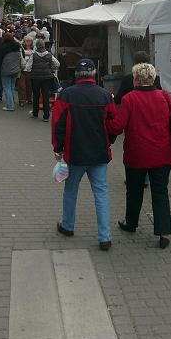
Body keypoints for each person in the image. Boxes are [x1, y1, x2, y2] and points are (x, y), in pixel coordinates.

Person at [107, 63, 171, 249]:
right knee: (160, 192)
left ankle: (131, 223)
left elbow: (117, 126)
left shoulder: (129, 99)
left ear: (136, 79)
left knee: (134, 191)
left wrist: (106, 120)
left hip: (137, 154)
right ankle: (164, 232)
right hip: (162, 154)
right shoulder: (165, 96)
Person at [52, 59, 116, 251]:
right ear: (94, 74)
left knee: (71, 191)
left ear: (76, 75)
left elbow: (58, 124)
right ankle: (105, 236)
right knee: (101, 193)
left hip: (75, 152)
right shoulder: (105, 95)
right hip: (99, 153)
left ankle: (68, 225)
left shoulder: (66, 95)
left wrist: (58, 147)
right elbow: (113, 124)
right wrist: (109, 142)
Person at [27, 38, 59, 121]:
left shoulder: (33, 55)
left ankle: (35, 113)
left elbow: (28, 67)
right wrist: (51, 68)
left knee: (36, 96)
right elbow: (57, 64)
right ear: (44, 45)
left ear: (36, 46)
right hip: (47, 78)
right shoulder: (49, 54)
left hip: (35, 78)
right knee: (46, 96)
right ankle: (46, 116)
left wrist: (32, 71)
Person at [0, 31, 22, 111]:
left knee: (7, 87)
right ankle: (11, 102)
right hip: (15, 69)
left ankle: (10, 105)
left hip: (6, 69)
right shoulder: (17, 46)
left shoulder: (3, 47)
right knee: (11, 87)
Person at [17, 37, 34, 107]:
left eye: (29, 41)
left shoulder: (34, 50)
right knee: (21, 85)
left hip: (30, 70)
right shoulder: (21, 49)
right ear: (24, 41)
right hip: (22, 69)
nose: (28, 42)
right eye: (27, 41)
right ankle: (22, 100)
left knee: (29, 85)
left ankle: (29, 99)